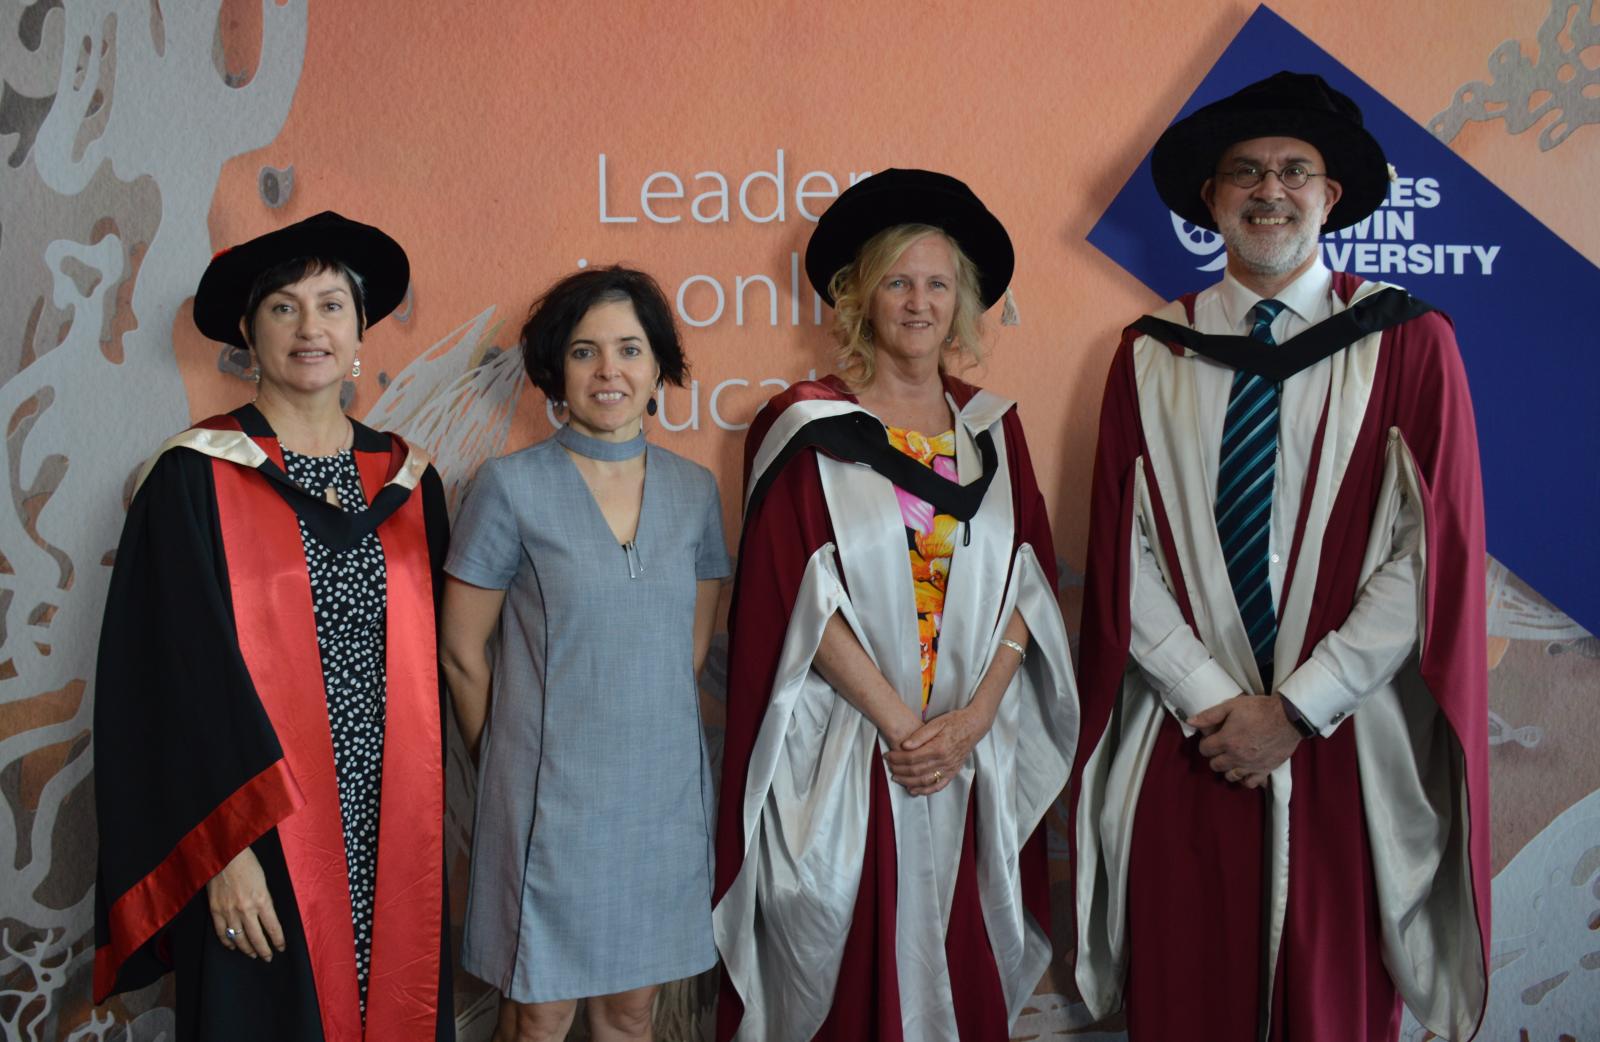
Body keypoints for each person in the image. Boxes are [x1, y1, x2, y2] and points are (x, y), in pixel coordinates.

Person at [1071, 72, 1490, 1041]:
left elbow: (1431, 557)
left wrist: (1298, 708)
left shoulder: (1408, 343)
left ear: (1329, 195)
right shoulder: (1151, 352)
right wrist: (1213, 698)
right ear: (1210, 199)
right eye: (1246, 172)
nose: (1271, 190)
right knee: (1188, 990)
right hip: (1195, 738)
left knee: (1332, 1002)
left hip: (1346, 737)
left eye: (1295, 171)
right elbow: (1123, 550)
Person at [712, 169, 1079, 1042]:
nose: (919, 303)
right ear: (859, 296)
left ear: (963, 303)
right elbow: (792, 597)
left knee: (961, 959)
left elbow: (1029, 583)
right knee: (852, 974)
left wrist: (973, 721)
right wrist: (907, 732)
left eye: (938, 284)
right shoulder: (805, 426)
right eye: (898, 283)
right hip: (858, 750)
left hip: (969, 750)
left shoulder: (993, 430)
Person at [93, 211, 454, 1041]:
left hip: (392, 821)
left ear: (359, 332)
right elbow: (166, 683)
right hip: (258, 833)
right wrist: (222, 854)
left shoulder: (408, 482)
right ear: (249, 337)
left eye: (331, 306)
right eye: (283, 308)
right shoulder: (193, 478)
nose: (309, 328)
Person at [440, 266, 729, 1042]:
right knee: (538, 1014)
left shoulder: (695, 492)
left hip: (658, 799)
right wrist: (509, 761)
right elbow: (461, 651)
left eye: (630, 349)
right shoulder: (508, 487)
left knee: (631, 1012)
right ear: (555, 371)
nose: (610, 371)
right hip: (545, 800)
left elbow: (687, 652)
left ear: (659, 366)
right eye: (584, 351)